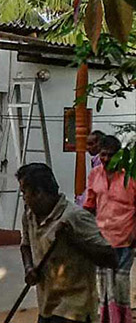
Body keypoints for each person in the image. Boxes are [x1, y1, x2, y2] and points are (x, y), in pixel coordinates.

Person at [18, 163, 117, 323]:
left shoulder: (75, 217)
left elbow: (110, 258)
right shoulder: (29, 215)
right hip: (47, 306)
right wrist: (29, 268)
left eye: (24, 193)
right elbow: (25, 246)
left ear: (38, 193)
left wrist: (74, 241)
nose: (24, 198)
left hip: (74, 310)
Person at [83, 135, 136, 323]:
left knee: (121, 285)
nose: (106, 159)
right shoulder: (94, 174)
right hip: (101, 241)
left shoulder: (130, 176)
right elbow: (89, 207)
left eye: (111, 155)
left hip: (125, 241)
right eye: (103, 155)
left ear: (119, 155)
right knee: (103, 287)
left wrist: (133, 237)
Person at [76, 130, 106, 206]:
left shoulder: (100, 162)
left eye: (90, 144)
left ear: (99, 145)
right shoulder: (96, 161)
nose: (87, 147)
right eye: (87, 144)